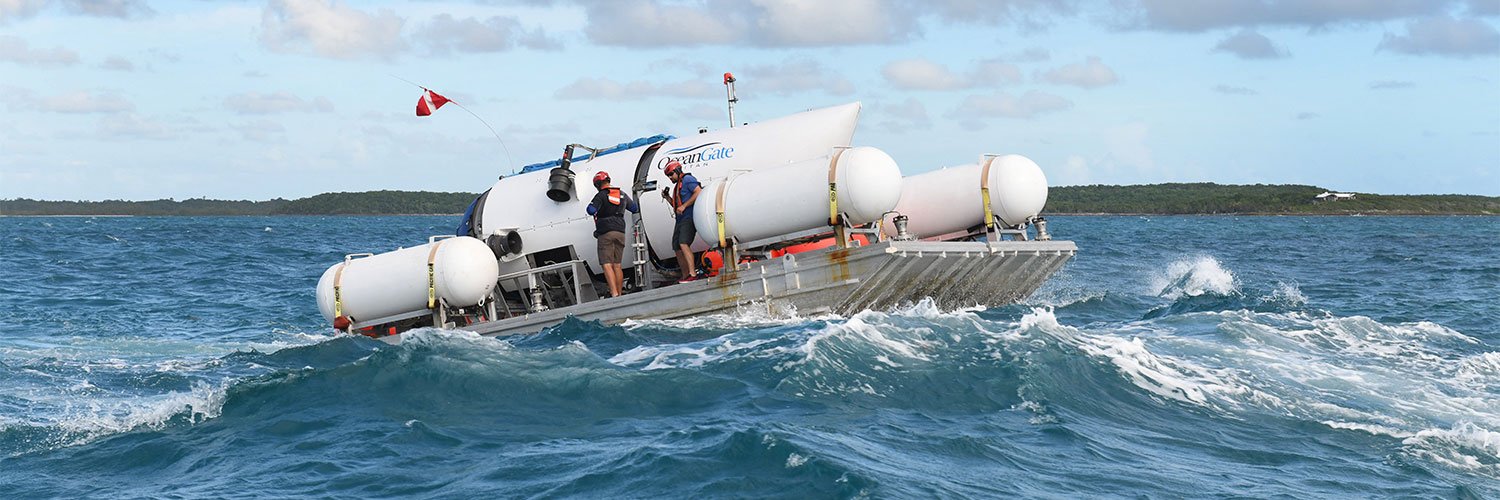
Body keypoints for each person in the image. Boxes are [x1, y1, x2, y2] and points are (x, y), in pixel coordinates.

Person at [586, 171, 638, 297]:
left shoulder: (601, 195)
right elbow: (634, 208)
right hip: (620, 231)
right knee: (617, 265)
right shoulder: (621, 194)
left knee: (606, 264)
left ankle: (614, 293)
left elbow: (591, 210)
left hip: (606, 233)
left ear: (598, 184)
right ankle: (619, 293)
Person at [661, 160, 701, 283]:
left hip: (688, 217)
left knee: (684, 243)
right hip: (680, 220)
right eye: (668, 175)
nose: (670, 177)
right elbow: (677, 205)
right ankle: (685, 276)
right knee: (677, 247)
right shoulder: (678, 185)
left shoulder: (688, 179)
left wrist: (685, 206)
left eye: (671, 174)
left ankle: (692, 274)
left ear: (677, 171)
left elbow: (698, 191)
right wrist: (667, 198)